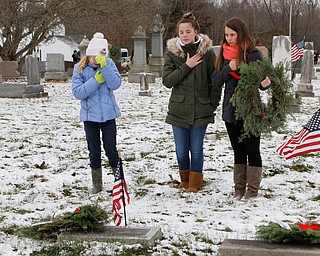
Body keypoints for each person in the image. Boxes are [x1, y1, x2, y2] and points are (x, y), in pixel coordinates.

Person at [211, 17, 271, 200]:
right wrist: (229, 67)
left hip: (250, 108)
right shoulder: (223, 55)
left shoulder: (253, 54)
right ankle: (239, 189)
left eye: (232, 34)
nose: (229, 38)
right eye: (226, 35)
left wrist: (265, 84)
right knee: (238, 150)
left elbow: (262, 81)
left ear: (241, 33)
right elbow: (215, 81)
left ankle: (252, 190)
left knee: (252, 149)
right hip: (230, 108)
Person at [162, 12, 218, 193]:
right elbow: (168, 81)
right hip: (178, 110)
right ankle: (184, 180)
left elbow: (215, 82)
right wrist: (187, 65)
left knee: (196, 148)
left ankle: (195, 182)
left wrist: (212, 105)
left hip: (201, 110)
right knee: (180, 150)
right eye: (181, 32)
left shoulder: (208, 54)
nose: (184, 35)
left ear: (196, 32)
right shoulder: (172, 54)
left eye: (188, 31)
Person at [72, 32, 121, 194]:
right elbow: (78, 92)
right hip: (90, 117)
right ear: (89, 54)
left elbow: (115, 84)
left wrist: (105, 69)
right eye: (94, 56)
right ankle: (97, 184)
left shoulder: (108, 64)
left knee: (111, 149)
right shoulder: (79, 68)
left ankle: (119, 182)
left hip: (108, 116)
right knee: (94, 150)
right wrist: (96, 80)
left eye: (100, 56)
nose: (96, 60)